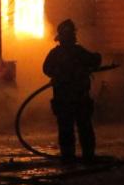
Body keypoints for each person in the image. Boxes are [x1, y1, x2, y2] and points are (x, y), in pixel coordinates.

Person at [42, 19, 102, 163]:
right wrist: (97, 56)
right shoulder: (79, 52)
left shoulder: (55, 54)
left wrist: (58, 74)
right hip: (79, 99)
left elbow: (46, 69)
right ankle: (88, 156)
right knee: (84, 128)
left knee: (66, 129)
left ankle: (68, 157)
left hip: (63, 100)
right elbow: (94, 60)